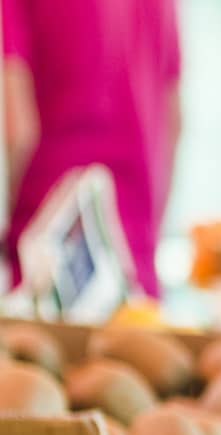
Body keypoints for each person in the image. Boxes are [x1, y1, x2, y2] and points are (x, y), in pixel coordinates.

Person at [2, 0, 182, 296]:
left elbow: (16, 129)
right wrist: (140, 239)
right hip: (134, 268)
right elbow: (173, 122)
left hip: (49, 275)